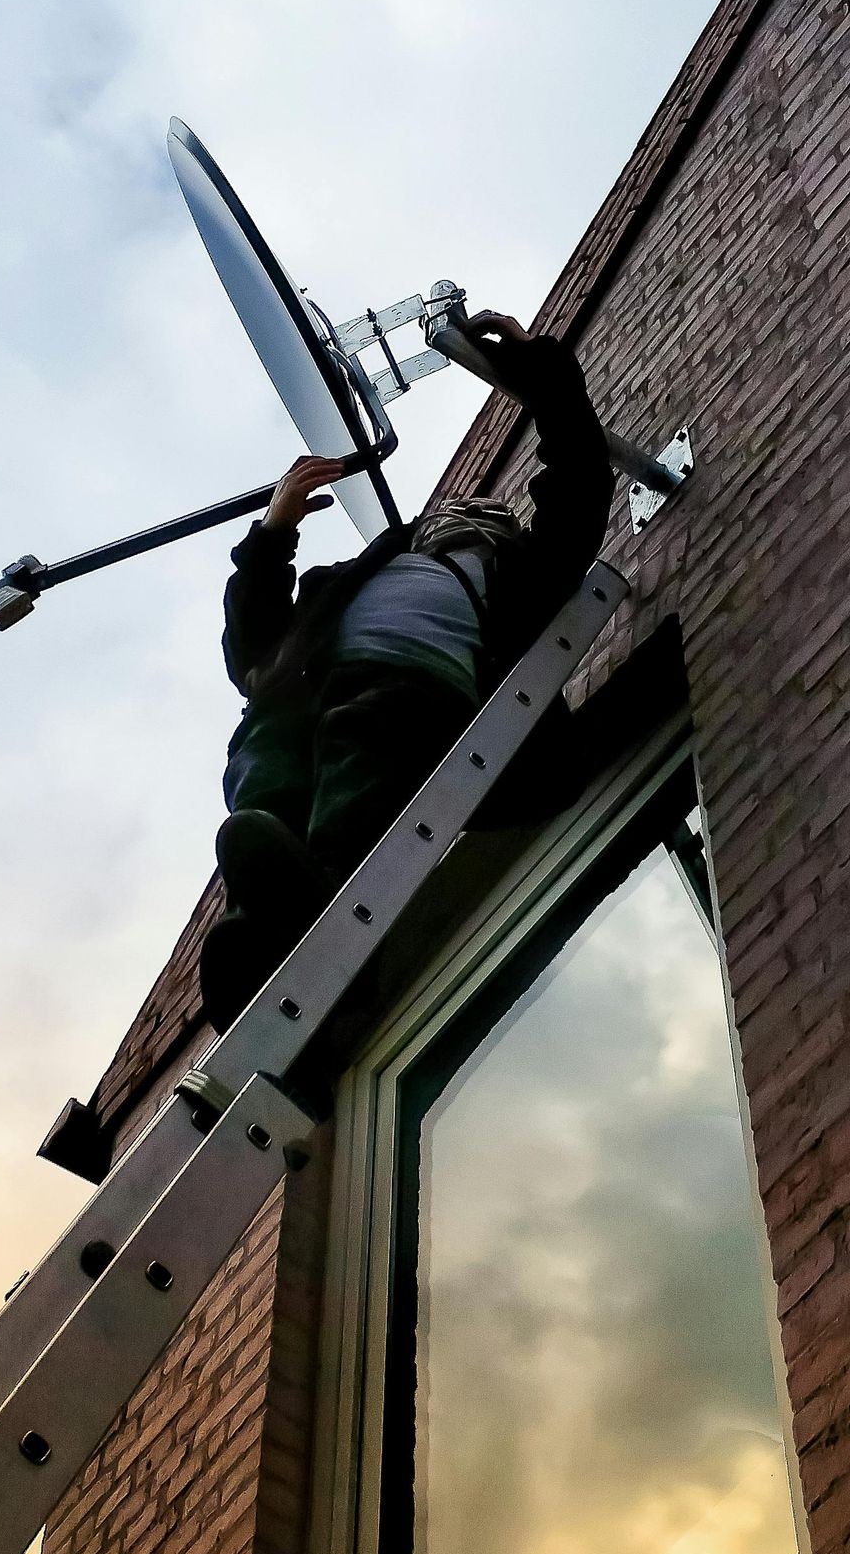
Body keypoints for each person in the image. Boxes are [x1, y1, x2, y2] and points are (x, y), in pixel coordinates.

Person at [198, 311, 612, 1031]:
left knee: (364, 736)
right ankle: (259, 926)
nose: (462, 519)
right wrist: (272, 535)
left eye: (483, 517)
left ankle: (330, 904)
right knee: (267, 745)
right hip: (309, 698)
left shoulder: (516, 571)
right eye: (450, 515)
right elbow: (253, 653)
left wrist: (539, 370)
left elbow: (578, 478)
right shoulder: (340, 584)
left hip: (417, 698)